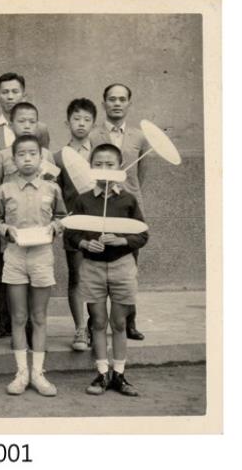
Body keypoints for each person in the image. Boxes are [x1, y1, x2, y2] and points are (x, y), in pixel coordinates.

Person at [65, 143, 148, 397]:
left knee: (119, 322)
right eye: (98, 164)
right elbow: (70, 233)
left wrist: (121, 240)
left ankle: (119, 375)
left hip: (122, 266)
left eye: (110, 164)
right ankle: (102, 373)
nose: (104, 168)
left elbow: (142, 234)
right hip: (93, 267)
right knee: (98, 322)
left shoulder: (128, 200)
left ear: (120, 167)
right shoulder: (83, 200)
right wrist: (84, 243)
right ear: (90, 167)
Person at [0, 135, 66, 396]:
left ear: (41, 157)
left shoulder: (52, 189)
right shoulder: (4, 190)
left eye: (32, 153)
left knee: (39, 316)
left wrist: (54, 227)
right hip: (15, 255)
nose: (27, 159)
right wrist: (5, 229)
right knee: (19, 316)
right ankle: (21, 372)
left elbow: (61, 217)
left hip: (42, 255)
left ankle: (38, 373)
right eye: (21, 154)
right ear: (13, 160)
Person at [0, 101, 55, 347]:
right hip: (12, 232)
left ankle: (32, 334)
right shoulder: (2, 156)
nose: (26, 125)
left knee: (36, 287)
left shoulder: (46, 155)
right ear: (11, 124)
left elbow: (55, 197)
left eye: (31, 121)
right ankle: (7, 325)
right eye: (21, 121)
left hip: (39, 235)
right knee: (9, 279)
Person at [89, 83, 150, 341]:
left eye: (122, 99)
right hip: (100, 205)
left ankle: (128, 322)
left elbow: (140, 175)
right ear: (104, 103)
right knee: (96, 263)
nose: (117, 103)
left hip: (126, 207)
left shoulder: (139, 137)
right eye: (112, 99)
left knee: (128, 266)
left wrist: (127, 196)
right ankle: (95, 324)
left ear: (129, 104)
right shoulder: (93, 135)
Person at [53, 98, 97, 351]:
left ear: (93, 124)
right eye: (76, 119)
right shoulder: (58, 157)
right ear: (67, 122)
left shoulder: (101, 154)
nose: (81, 124)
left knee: (99, 278)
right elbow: (56, 193)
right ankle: (80, 328)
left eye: (86, 119)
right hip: (74, 226)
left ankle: (96, 325)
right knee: (77, 276)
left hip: (100, 224)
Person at [0, 72, 51, 159]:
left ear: (24, 96)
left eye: (15, 92)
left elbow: (44, 158)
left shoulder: (40, 128)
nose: (10, 97)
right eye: (5, 92)